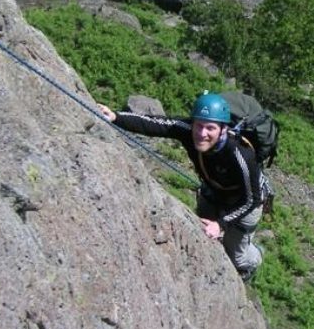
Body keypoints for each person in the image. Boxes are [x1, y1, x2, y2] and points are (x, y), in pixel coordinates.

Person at [97, 91, 266, 281]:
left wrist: (221, 224)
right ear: (193, 123)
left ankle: (256, 257)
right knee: (203, 231)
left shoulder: (240, 154)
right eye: (199, 125)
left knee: (237, 257)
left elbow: (253, 199)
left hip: (246, 201)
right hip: (215, 193)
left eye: (210, 128)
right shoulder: (187, 130)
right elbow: (155, 124)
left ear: (222, 129)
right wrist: (116, 117)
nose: (202, 133)